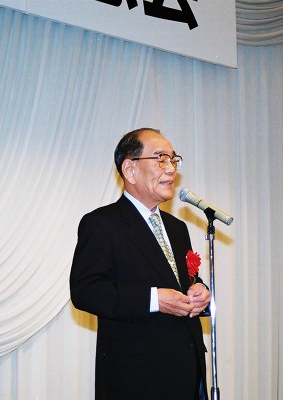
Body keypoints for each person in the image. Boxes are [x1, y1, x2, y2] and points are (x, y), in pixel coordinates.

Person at [70, 128, 211, 400]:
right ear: (130, 170)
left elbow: (183, 280)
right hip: (136, 379)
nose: (171, 169)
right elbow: (85, 292)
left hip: (187, 372)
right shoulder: (102, 223)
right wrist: (154, 300)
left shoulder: (177, 227)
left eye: (173, 159)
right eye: (161, 159)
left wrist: (200, 291)